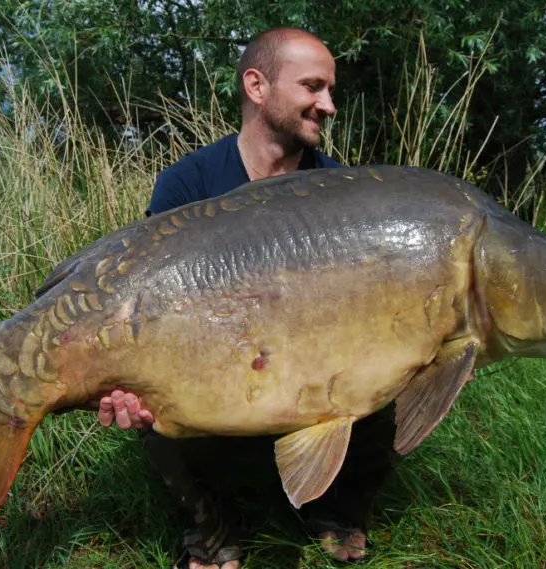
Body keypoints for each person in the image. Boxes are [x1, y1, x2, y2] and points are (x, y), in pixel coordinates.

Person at [93, 28, 398, 569]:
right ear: (256, 86)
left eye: (330, 90)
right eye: (313, 87)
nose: (328, 104)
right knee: (149, 407)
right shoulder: (187, 183)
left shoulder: (340, 190)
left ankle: (334, 511)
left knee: (385, 380)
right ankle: (214, 530)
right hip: (219, 377)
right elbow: (146, 298)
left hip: (311, 372)